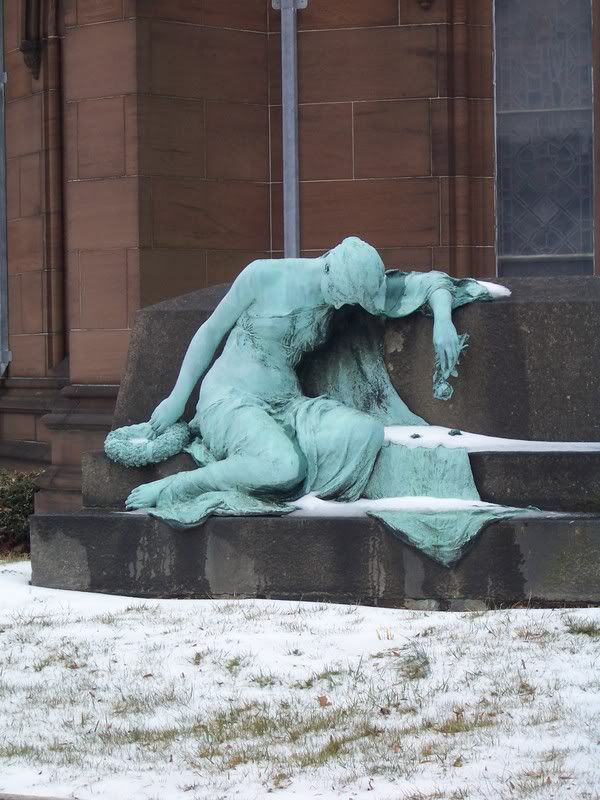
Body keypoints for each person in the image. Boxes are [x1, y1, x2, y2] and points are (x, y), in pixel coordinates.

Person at [125, 237, 503, 514]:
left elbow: (426, 283)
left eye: (345, 301)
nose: (337, 305)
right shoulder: (263, 276)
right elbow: (209, 332)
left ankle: (296, 479)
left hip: (289, 404)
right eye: (337, 295)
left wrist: (442, 321)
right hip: (229, 399)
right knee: (284, 466)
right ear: (327, 266)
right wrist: (177, 398)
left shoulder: (346, 288)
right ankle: (177, 487)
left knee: (365, 431)